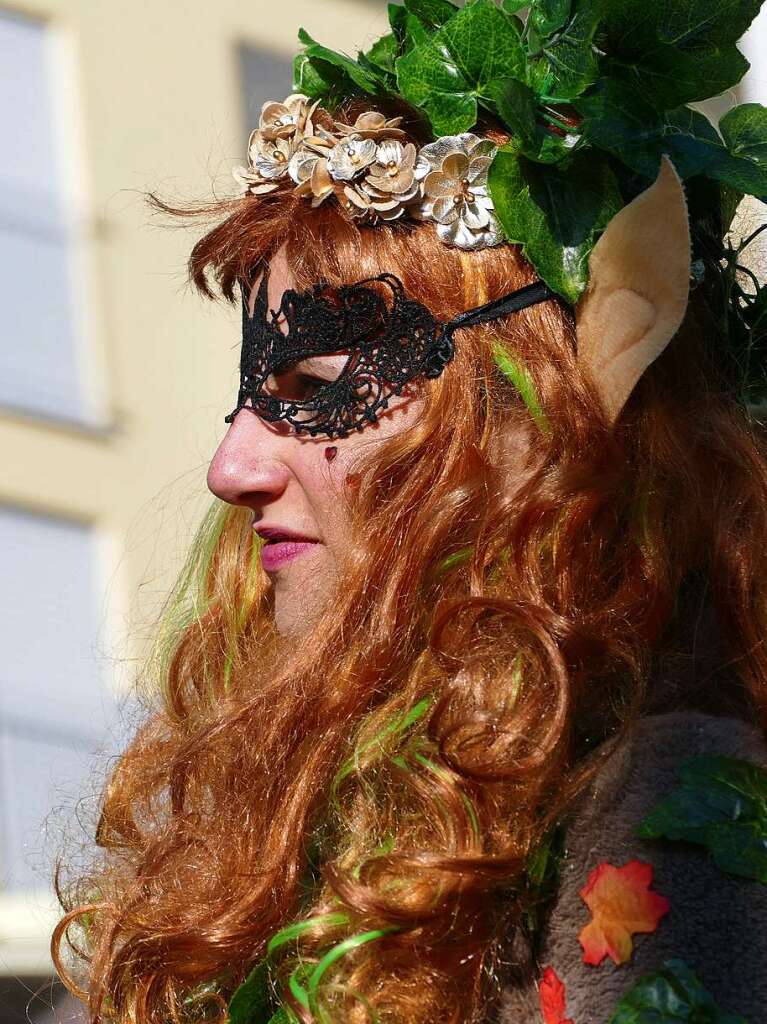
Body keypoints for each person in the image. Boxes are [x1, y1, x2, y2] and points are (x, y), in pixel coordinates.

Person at [54, 4, 767, 1023]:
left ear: (547, 415)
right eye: (252, 394)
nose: (230, 463)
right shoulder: (355, 814)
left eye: (310, 385)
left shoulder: (672, 810)